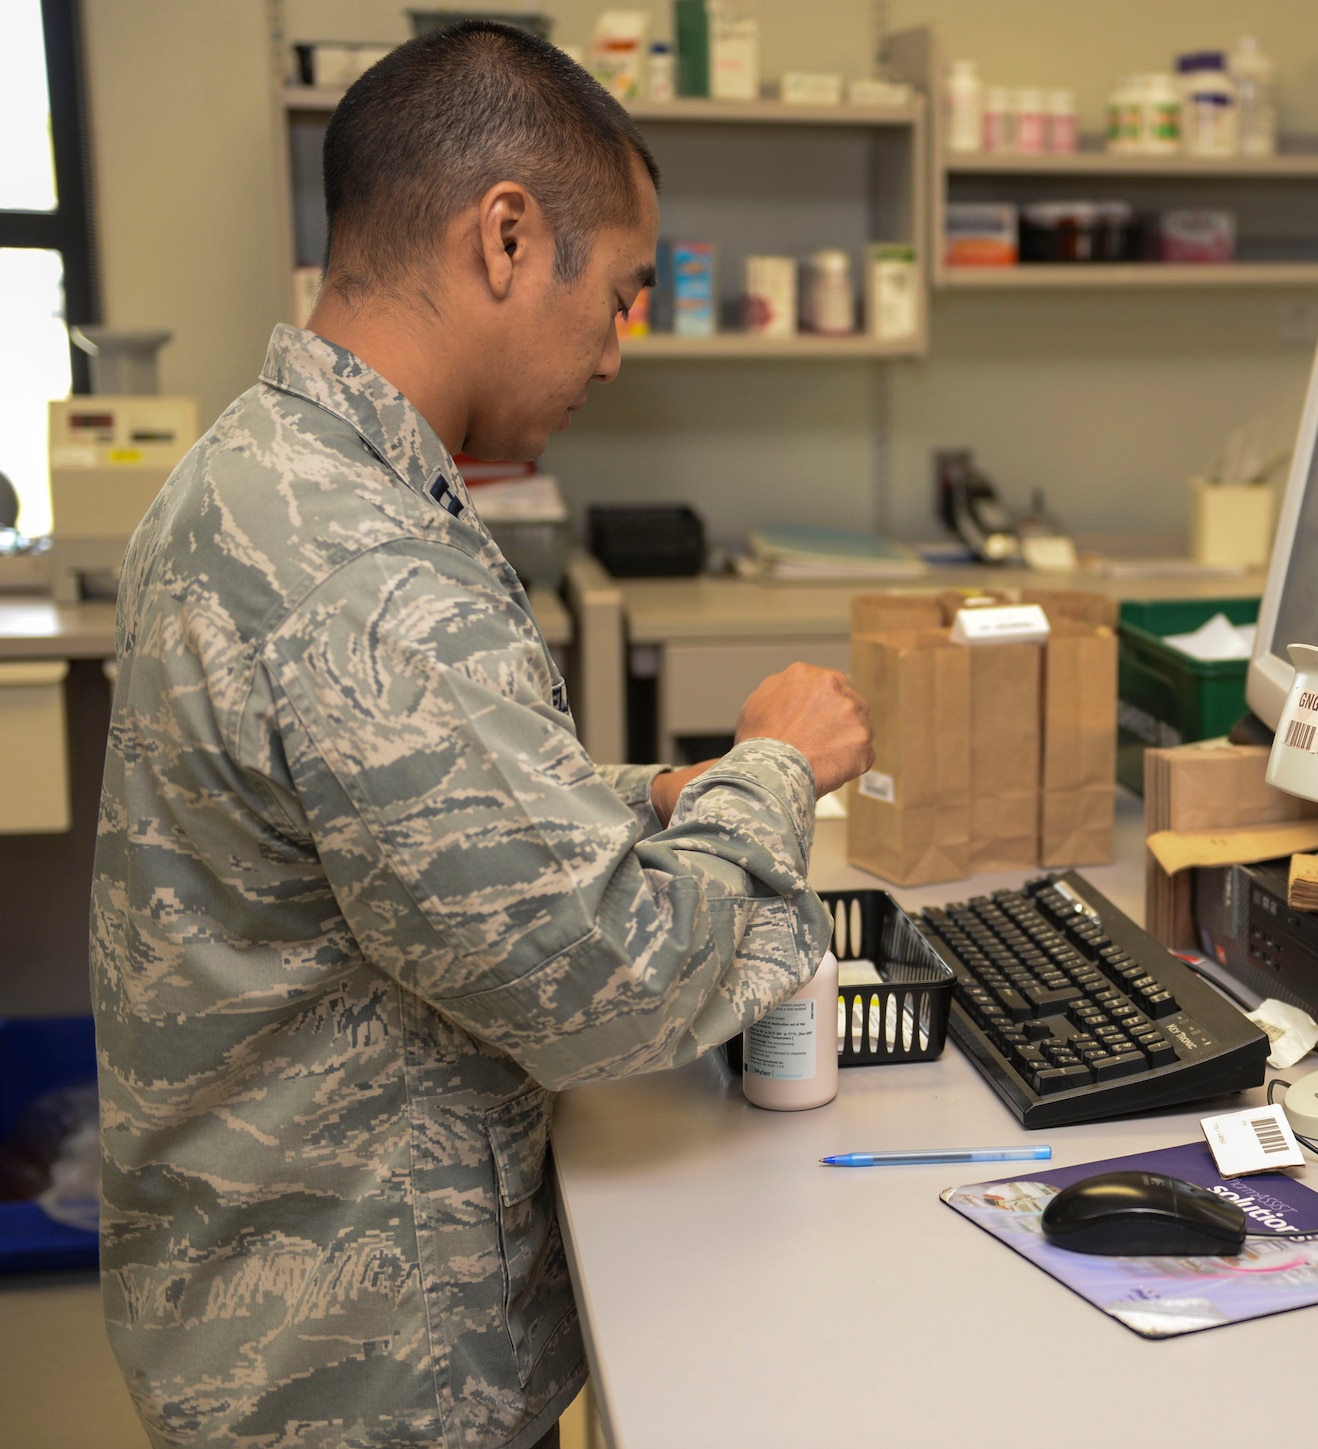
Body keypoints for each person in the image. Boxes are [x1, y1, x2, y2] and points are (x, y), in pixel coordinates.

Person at [88, 22, 870, 1448]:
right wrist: (772, 771)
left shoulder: (263, 470)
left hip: (267, 1320)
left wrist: (645, 797)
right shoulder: (358, 564)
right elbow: (618, 988)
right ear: (507, 238)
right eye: (620, 297)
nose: (618, 353)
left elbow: (390, 823)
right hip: (361, 1377)